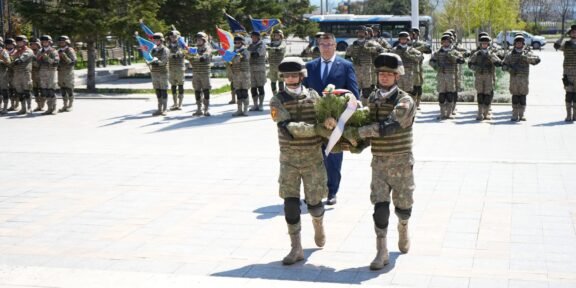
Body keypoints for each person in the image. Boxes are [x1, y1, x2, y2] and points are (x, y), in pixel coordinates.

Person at [347, 53, 416, 270]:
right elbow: (370, 126)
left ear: (397, 76)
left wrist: (357, 132)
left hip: (401, 162)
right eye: (381, 74)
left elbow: (387, 127)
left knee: (403, 206)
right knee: (379, 206)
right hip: (379, 163)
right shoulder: (374, 98)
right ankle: (381, 250)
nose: (384, 77)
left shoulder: (405, 101)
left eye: (389, 74)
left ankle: (403, 227)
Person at [269, 56, 328, 265]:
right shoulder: (277, 100)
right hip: (289, 160)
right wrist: (319, 129)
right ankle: (296, 247)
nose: (291, 78)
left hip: (313, 159)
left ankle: (318, 224)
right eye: (287, 75)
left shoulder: (314, 96)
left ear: (302, 75)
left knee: (314, 204)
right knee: (290, 204)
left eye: (294, 74)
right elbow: (289, 127)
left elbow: (325, 118)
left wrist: (331, 124)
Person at [303, 33, 359, 205]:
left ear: (335, 46)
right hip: (313, 120)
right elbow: (303, 91)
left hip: (336, 121)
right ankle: (315, 190)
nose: (326, 47)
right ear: (318, 46)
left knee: (333, 158)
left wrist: (347, 113)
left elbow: (353, 93)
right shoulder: (310, 66)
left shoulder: (346, 65)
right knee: (313, 158)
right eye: (322, 44)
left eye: (329, 44)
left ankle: (332, 191)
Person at [502, 34, 540, 121]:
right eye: (517, 43)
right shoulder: (510, 55)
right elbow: (503, 66)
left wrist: (527, 58)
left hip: (524, 80)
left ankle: (522, 114)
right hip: (514, 80)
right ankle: (515, 114)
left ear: (523, 44)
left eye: (520, 43)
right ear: (514, 44)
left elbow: (537, 60)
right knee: (515, 97)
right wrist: (510, 70)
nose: (519, 44)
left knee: (523, 97)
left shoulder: (527, 53)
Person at [429, 33, 465, 120]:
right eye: (444, 42)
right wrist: (436, 66)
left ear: (450, 42)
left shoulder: (454, 52)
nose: (445, 43)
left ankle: (449, 114)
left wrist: (453, 57)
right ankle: (442, 113)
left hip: (451, 76)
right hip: (441, 75)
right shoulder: (438, 52)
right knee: (441, 95)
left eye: (447, 42)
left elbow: (461, 60)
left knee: (450, 95)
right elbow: (431, 61)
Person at [345, 26, 383, 105]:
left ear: (366, 34)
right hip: (356, 71)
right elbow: (347, 57)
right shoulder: (353, 45)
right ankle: (356, 107)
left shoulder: (371, 43)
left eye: (362, 32)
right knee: (355, 90)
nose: (360, 34)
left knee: (367, 92)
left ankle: (366, 108)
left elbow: (381, 50)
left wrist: (368, 49)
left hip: (367, 71)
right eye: (359, 32)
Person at [468, 35, 501, 120]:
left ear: (488, 44)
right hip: (479, 76)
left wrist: (492, 58)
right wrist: (476, 68)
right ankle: (479, 113)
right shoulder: (477, 54)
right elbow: (470, 64)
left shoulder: (492, 53)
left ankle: (486, 113)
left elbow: (499, 63)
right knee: (480, 95)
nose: (484, 45)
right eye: (483, 43)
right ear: (481, 44)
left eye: (486, 43)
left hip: (489, 76)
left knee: (487, 95)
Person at [554, 24, 576, 122]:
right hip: (568, 73)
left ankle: (575, 116)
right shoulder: (566, 44)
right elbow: (556, 45)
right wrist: (563, 35)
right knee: (569, 95)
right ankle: (568, 115)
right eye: (572, 31)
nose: (574, 33)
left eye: (575, 31)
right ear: (569, 33)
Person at [391, 31, 422, 98]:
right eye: (402, 39)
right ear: (399, 40)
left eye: (405, 39)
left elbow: (419, 58)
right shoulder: (394, 50)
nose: (403, 40)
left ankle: (409, 106)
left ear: (407, 40)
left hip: (408, 74)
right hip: (397, 73)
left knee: (409, 92)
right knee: (398, 91)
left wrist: (409, 56)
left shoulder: (411, 50)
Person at [187, 32, 212, 116]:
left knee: (206, 90)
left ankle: (206, 109)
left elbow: (206, 55)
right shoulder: (194, 50)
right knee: (197, 91)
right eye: (197, 40)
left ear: (204, 40)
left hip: (204, 73)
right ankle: (198, 109)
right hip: (196, 73)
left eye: (200, 39)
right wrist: (188, 55)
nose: (198, 41)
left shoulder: (207, 48)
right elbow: (190, 59)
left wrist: (201, 57)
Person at [36, 35, 59, 115]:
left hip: (51, 73)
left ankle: (54, 108)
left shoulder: (53, 51)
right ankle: (49, 108)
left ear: (49, 42)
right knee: (45, 91)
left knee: (51, 91)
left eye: (46, 41)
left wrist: (46, 58)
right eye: (43, 41)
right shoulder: (40, 51)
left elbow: (55, 62)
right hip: (42, 72)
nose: (44, 43)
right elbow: (37, 62)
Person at [410, 28, 432, 110]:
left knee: (418, 87)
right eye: (412, 33)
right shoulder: (406, 43)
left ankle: (417, 103)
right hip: (407, 68)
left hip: (418, 68)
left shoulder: (420, 43)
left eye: (415, 33)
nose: (414, 35)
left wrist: (421, 47)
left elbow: (428, 50)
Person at [149, 32, 170, 116]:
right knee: (157, 90)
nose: (156, 41)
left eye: (157, 40)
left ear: (161, 40)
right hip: (154, 72)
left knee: (163, 90)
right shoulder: (153, 49)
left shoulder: (165, 49)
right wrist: (149, 61)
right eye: (155, 40)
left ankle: (165, 109)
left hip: (162, 72)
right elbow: (150, 57)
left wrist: (156, 62)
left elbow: (164, 61)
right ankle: (159, 109)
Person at [12, 35, 34, 115]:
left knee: (27, 91)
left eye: (20, 41)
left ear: (25, 42)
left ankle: (29, 107)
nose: (18, 43)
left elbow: (23, 58)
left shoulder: (28, 50)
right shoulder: (17, 51)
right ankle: (23, 108)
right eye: (17, 42)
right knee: (20, 92)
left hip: (25, 73)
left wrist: (18, 60)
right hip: (17, 73)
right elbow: (12, 59)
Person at [230, 36, 251, 116]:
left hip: (244, 74)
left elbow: (243, 58)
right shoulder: (233, 51)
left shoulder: (246, 50)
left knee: (244, 92)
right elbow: (231, 62)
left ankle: (245, 110)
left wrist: (234, 56)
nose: (237, 44)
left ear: (242, 42)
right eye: (235, 42)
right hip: (236, 74)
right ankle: (239, 109)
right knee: (238, 92)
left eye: (238, 42)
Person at [247, 31, 267, 111]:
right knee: (253, 87)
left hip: (260, 69)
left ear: (258, 38)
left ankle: (261, 104)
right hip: (251, 69)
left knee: (260, 86)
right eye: (252, 37)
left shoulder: (262, 45)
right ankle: (255, 104)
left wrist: (247, 52)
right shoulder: (250, 46)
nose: (253, 38)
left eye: (255, 37)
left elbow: (255, 54)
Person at [166, 30, 185, 111]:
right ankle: (175, 103)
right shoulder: (167, 46)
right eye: (171, 36)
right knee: (173, 85)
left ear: (178, 36)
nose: (172, 37)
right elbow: (165, 54)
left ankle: (180, 103)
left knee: (180, 84)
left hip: (179, 67)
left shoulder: (181, 45)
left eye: (174, 36)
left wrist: (178, 53)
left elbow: (183, 53)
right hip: (171, 68)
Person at [57, 36, 77, 112]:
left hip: (68, 73)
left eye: (63, 41)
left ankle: (70, 105)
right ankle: (64, 105)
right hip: (60, 72)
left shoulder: (70, 50)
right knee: (62, 89)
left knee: (69, 89)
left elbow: (73, 62)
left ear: (67, 42)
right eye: (60, 41)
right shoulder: (58, 50)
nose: (61, 43)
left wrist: (64, 56)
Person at [267, 29, 286, 95]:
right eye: (275, 35)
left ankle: (281, 95)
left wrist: (275, 48)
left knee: (281, 80)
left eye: (278, 35)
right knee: (273, 81)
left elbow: (281, 47)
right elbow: (266, 47)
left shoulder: (282, 43)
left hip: (280, 66)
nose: (276, 36)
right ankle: (274, 94)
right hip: (272, 65)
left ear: (281, 36)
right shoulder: (270, 44)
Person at [29, 37, 43, 112]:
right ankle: (38, 105)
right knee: (35, 91)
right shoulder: (29, 52)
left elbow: (39, 64)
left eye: (35, 44)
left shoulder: (41, 52)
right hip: (32, 75)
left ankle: (42, 104)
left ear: (38, 45)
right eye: (31, 44)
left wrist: (33, 60)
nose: (33, 46)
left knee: (42, 91)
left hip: (41, 74)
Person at [0, 38, 11, 115]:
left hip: (3, 73)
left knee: (4, 90)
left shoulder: (3, 52)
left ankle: (5, 107)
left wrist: (0, 61)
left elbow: (8, 62)